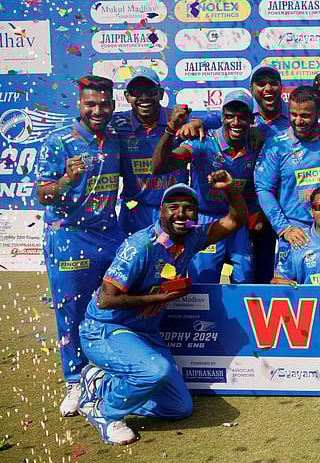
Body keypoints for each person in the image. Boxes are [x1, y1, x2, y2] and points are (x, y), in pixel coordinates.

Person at [78, 177, 247, 445]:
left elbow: (235, 220)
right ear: (161, 211)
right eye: (173, 206)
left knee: (179, 408)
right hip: (105, 329)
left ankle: (100, 383)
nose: (181, 213)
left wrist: (229, 190)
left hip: (144, 333)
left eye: (189, 207)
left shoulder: (192, 237)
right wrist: (161, 296)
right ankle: (105, 413)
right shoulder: (140, 245)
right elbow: (106, 301)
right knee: (154, 372)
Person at [35, 75, 123, 417]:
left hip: (109, 233)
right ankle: (75, 380)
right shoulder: (58, 142)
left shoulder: (116, 137)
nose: (97, 110)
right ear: (79, 104)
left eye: (104, 104)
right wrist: (67, 181)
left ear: (113, 106)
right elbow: (41, 194)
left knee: (116, 304)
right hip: (68, 235)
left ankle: (109, 369)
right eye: (91, 104)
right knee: (70, 310)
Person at [178, 64, 286, 282]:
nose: (268, 88)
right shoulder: (243, 115)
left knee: (255, 275)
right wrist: (200, 121)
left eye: (273, 83)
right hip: (234, 213)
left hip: (271, 211)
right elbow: (222, 118)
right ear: (252, 89)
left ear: (281, 88)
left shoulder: (291, 116)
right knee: (205, 276)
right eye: (261, 83)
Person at [151, 90, 261, 283]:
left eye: (242, 117)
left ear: (252, 120)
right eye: (230, 116)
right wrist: (171, 128)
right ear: (222, 117)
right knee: (203, 280)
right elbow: (159, 166)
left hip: (238, 218)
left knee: (247, 277)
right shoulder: (202, 142)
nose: (236, 122)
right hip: (205, 219)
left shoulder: (257, 143)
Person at [255, 86, 320, 268]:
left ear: (319, 112)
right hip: (295, 233)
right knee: (291, 291)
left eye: (305, 116)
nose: (298, 121)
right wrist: (283, 228)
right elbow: (263, 189)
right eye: (293, 114)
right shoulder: (276, 145)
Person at [109, 67, 187, 236]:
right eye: (137, 91)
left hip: (173, 211)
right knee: (135, 262)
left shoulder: (177, 119)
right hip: (133, 210)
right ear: (127, 96)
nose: (144, 97)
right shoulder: (117, 124)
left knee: (172, 262)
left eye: (150, 91)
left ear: (160, 94)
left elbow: (215, 120)